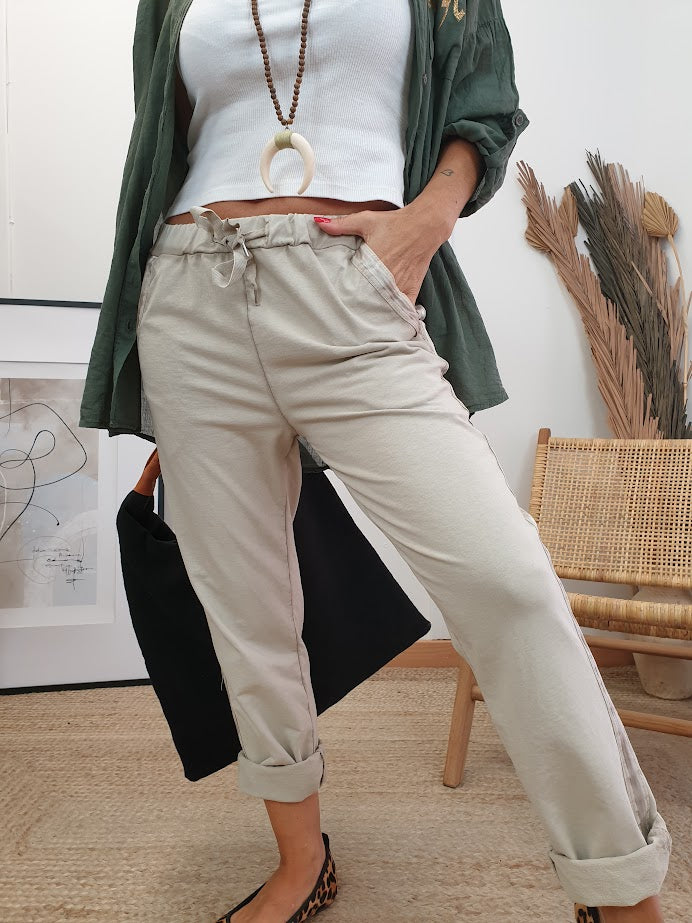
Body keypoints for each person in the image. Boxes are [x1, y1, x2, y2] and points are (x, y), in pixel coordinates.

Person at [80, 2, 672, 921]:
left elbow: (485, 107)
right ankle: (300, 860)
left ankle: (619, 890)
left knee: (506, 579)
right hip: (190, 292)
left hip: (350, 287)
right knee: (245, 608)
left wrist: (427, 219)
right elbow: (164, 132)